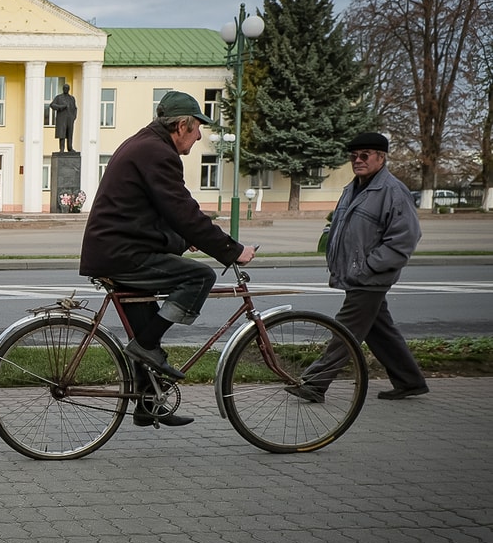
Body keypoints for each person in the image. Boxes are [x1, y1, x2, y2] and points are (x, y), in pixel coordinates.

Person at [79, 90, 255, 427]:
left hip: (115, 249)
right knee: (198, 277)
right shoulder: (157, 153)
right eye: (197, 128)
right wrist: (232, 251)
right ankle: (144, 347)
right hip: (123, 255)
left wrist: (183, 238)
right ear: (182, 125)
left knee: (147, 327)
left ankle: (148, 404)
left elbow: (152, 212)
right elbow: (183, 210)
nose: (200, 135)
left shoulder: (144, 145)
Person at [287, 132, 427, 403]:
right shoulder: (353, 188)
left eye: (364, 155)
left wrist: (369, 266)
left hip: (371, 277)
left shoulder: (392, 191)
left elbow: (405, 238)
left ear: (381, 157)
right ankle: (410, 381)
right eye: (353, 156)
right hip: (358, 274)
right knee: (378, 328)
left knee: (345, 330)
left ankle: (315, 383)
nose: (357, 160)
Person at [49, 83, 78, 152]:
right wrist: (61, 107)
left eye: (67, 88)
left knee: (70, 133)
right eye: (64, 88)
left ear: (69, 89)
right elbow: (52, 105)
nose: (66, 89)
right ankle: (62, 149)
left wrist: (74, 117)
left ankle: (70, 148)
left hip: (70, 118)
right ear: (63, 89)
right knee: (62, 134)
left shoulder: (72, 98)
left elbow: (75, 108)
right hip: (62, 119)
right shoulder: (59, 97)